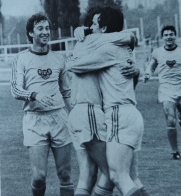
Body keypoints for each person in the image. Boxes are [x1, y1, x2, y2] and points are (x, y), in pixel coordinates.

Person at [68, 6, 149, 196]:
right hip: (124, 113)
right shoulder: (119, 48)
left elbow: (75, 66)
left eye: (93, 25)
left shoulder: (106, 48)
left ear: (103, 29)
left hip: (117, 113)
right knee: (125, 176)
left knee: (115, 176)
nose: (89, 28)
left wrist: (71, 58)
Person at [11, 13, 74, 196]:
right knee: (39, 176)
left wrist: (75, 116)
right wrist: (33, 95)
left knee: (65, 174)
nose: (46, 32)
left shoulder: (58, 59)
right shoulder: (21, 58)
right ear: (31, 33)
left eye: (47, 28)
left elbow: (67, 92)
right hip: (34, 121)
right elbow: (15, 89)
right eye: (40, 28)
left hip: (59, 118)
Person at [144, 25, 181, 159]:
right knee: (170, 119)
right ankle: (175, 151)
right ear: (162, 37)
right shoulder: (157, 52)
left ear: (175, 36)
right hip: (166, 88)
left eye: (171, 34)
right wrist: (147, 74)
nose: (169, 37)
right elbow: (151, 66)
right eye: (166, 35)